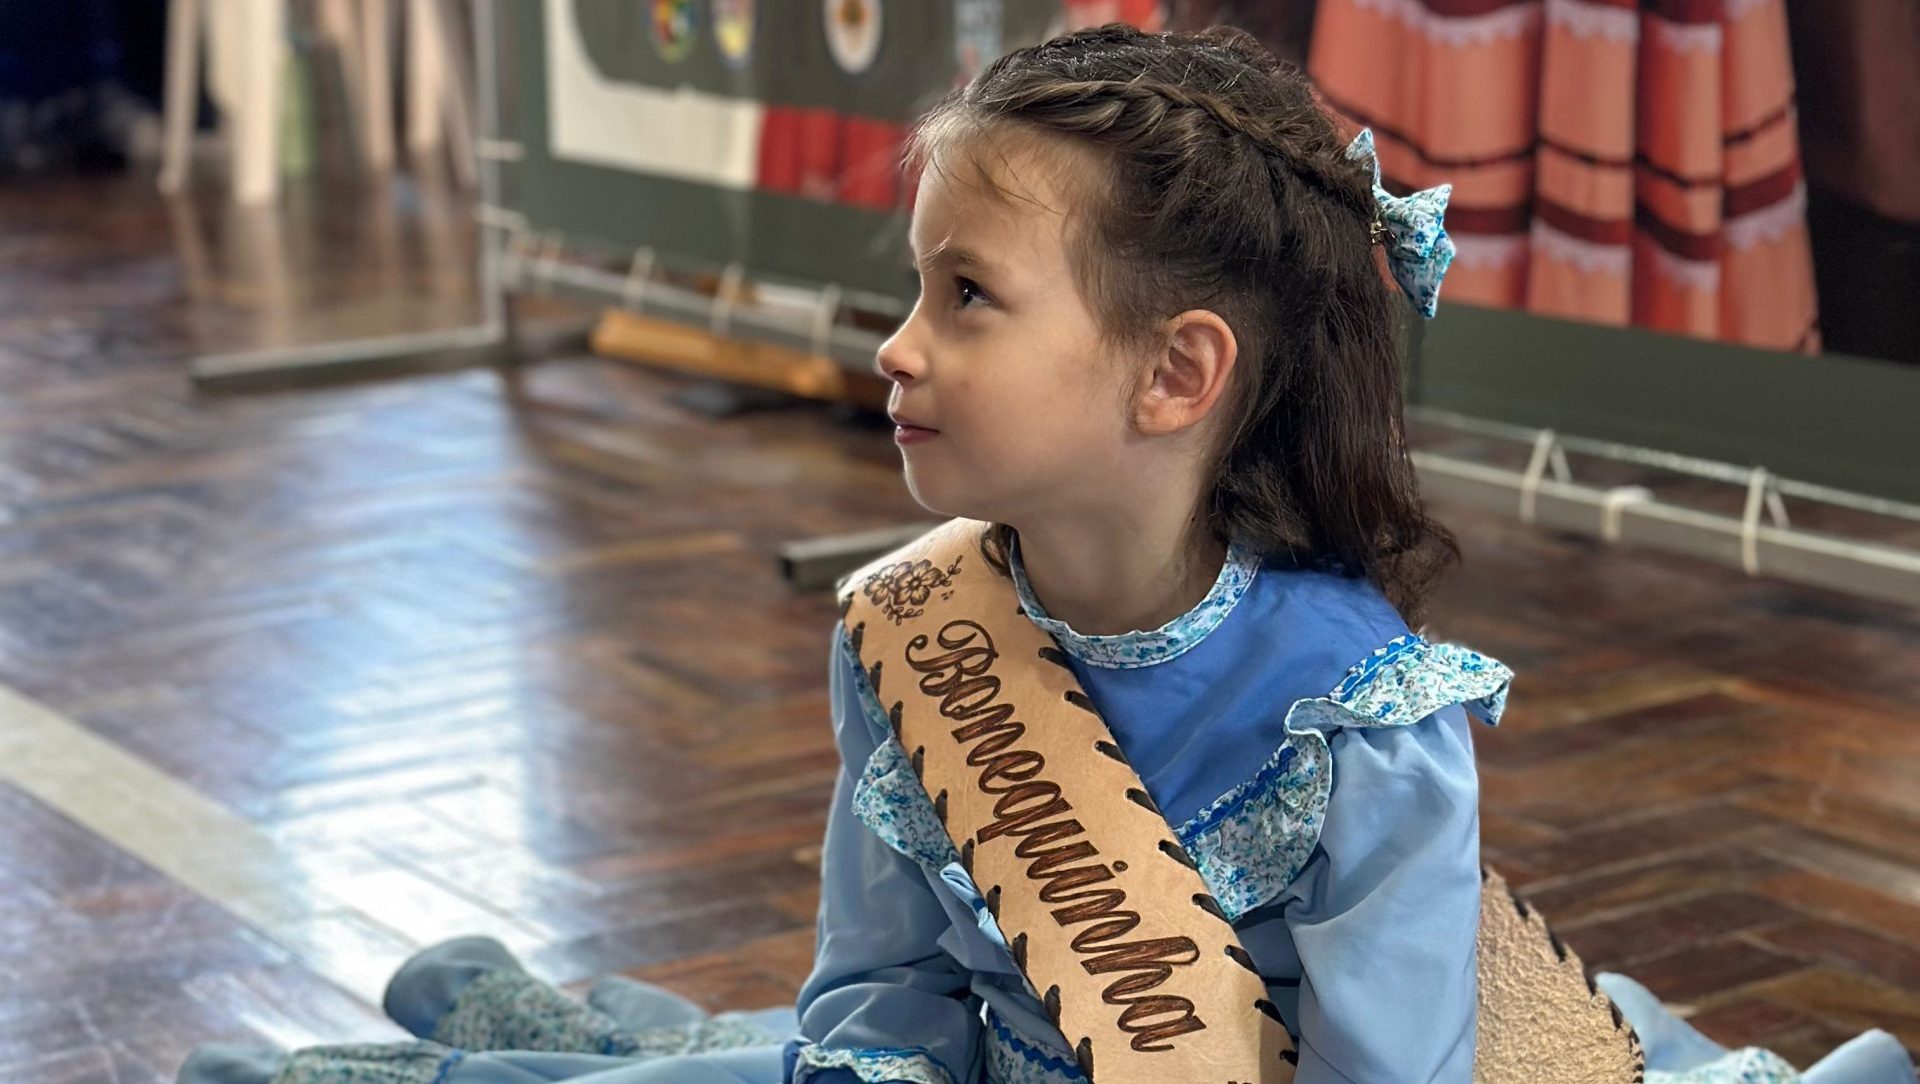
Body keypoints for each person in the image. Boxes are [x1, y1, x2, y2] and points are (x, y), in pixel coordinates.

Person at [178, 24, 1916, 1084]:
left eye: (969, 298)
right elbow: (880, 994)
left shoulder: (1364, 715)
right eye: (916, 283)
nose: (895, 344)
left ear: (1179, 374)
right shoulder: (914, 627)